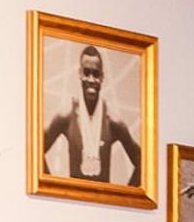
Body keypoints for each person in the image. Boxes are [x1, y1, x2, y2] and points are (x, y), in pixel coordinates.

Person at [44, 43, 144, 193]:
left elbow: (144, 163)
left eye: (96, 74)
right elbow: (35, 150)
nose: (91, 79)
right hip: (72, 204)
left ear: (102, 77)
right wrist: (51, 191)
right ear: (80, 74)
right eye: (87, 73)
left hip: (103, 207)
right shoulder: (65, 115)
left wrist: (122, 198)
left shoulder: (113, 121)